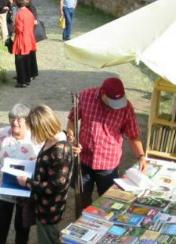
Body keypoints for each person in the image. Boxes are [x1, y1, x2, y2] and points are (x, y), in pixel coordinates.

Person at [66, 77, 147, 209]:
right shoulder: (86, 97)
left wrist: (141, 156)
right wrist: (72, 138)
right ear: (102, 94)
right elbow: (72, 120)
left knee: (108, 202)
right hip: (84, 160)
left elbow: (133, 135)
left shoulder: (126, 108)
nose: (114, 107)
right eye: (111, 102)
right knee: (82, 198)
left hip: (108, 163)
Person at [17, 105, 73, 244]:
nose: (34, 134)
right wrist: (37, 161)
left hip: (50, 208)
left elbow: (55, 186)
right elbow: (49, 165)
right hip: (42, 205)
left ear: (44, 128)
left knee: (48, 238)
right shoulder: (51, 139)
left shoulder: (60, 151)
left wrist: (27, 182)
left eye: (35, 130)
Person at [0, 104, 42, 244]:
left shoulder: (36, 138)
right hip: (4, 189)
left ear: (28, 121)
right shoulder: (1, 134)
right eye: (12, 118)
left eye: (19, 119)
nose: (14, 122)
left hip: (25, 191)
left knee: (22, 226)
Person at [12, 0, 37, 87]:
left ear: (17, 4)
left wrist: (14, 28)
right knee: (27, 60)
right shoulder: (29, 13)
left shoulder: (19, 14)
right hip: (29, 38)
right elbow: (33, 24)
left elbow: (19, 29)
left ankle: (22, 81)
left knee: (20, 61)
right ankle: (27, 79)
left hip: (22, 39)